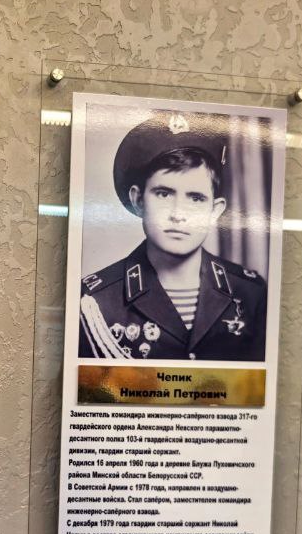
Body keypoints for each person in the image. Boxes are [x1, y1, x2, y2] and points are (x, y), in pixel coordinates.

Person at [78, 111, 267, 362]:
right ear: (138, 201)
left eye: (196, 199)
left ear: (215, 210)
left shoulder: (251, 292)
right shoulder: (96, 300)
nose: (178, 215)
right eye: (164, 194)